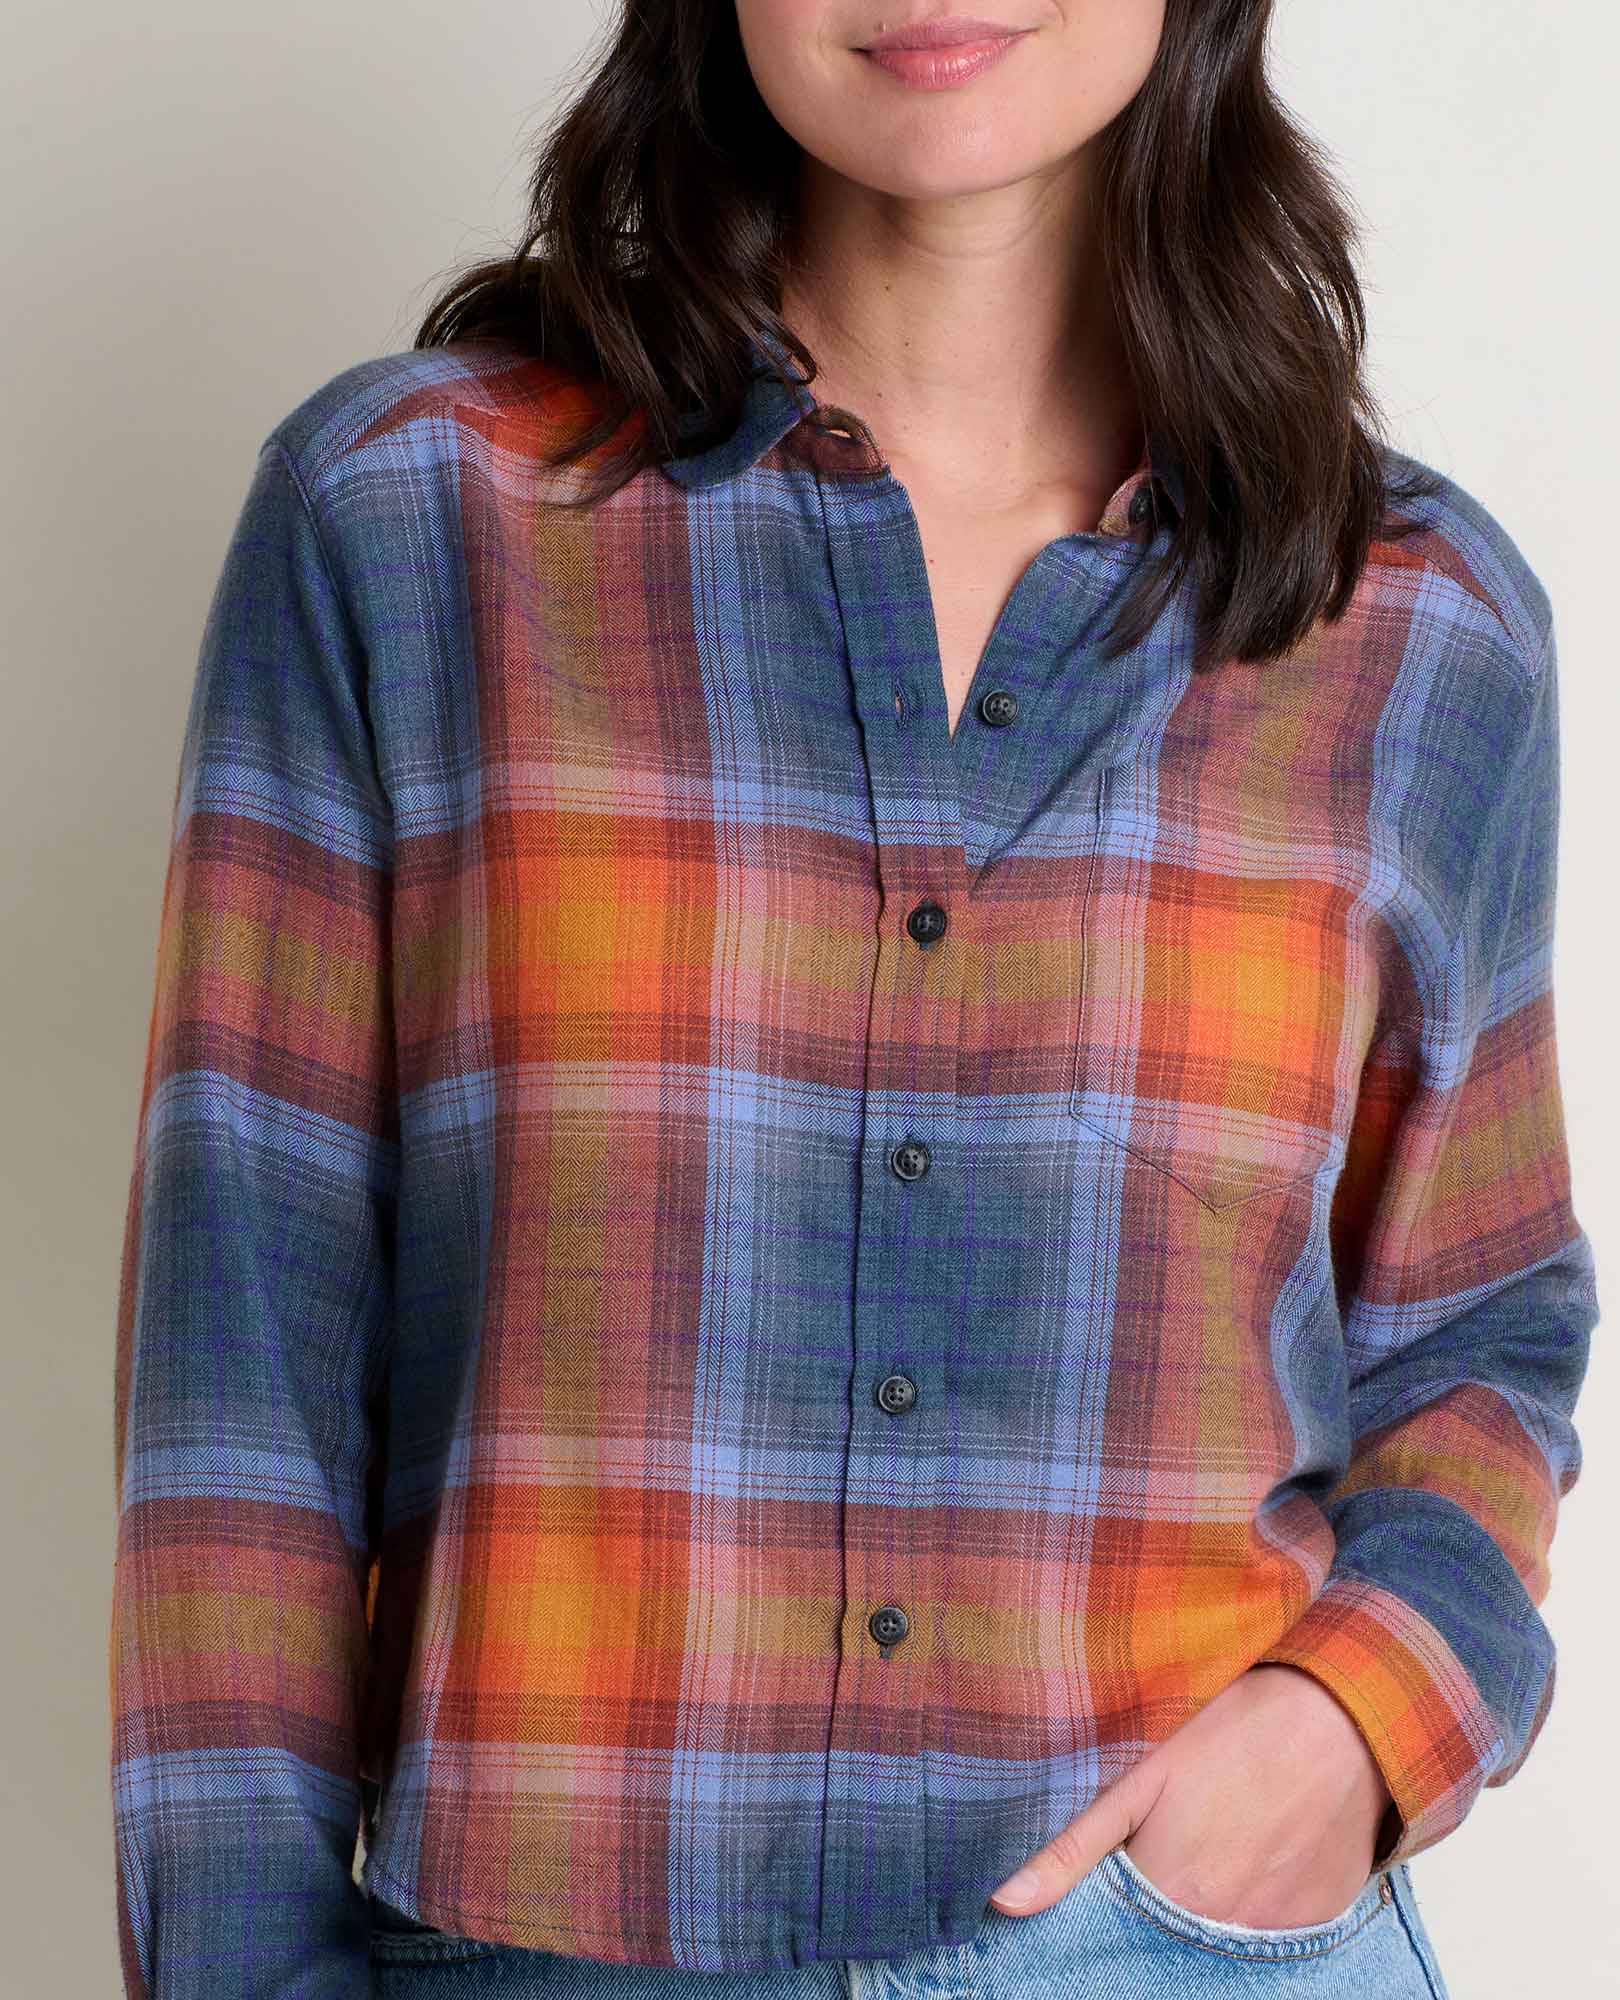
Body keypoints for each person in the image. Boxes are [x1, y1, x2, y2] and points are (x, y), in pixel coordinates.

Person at [108, 2, 1599, 1997]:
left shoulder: (1418, 626)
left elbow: (1480, 1330)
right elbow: (246, 1372)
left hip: (1190, 1954)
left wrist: (1357, 1717)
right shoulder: (405, 524)